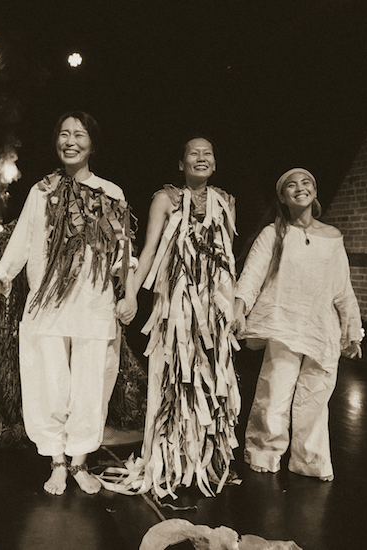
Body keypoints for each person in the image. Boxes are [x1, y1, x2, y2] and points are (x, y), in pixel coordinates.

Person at [0, 111, 137, 495]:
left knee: (91, 385)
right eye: (64, 134)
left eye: (79, 134)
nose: (70, 141)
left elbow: (123, 254)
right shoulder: (41, 191)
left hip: (95, 304)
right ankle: (56, 461)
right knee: (48, 382)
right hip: (48, 305)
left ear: (92, 143)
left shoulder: (111, 192)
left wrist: (128, 295)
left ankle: (80, 462)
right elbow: (21, 240)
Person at [102, 136, 240, 500]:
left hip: (213, 311)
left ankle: (205, 462)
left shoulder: (225, 202)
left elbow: (228, 259)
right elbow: (148, 252)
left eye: (208, 153)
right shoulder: (165, 199)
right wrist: (130, 293)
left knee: (210, 383)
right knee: (174, 379)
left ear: (215, 163)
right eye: (193, 153)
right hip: (176, 309)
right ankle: (168, 457)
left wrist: (234, 306)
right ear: (181, 164)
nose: (201, 158)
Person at [233, 168, 362, 482]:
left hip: (323, 329)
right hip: (284, 324)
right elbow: (252, 275)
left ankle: (309, 460)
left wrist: (352, 330)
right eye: (291, 185)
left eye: (306, 183)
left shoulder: (332, 237)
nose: (299, 188)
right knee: (274, 392)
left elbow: (343, 288)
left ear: (315, 192)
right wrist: (239, 307)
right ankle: (264, 453)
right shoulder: (273, 233)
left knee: (314, 398)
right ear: (282, 197)